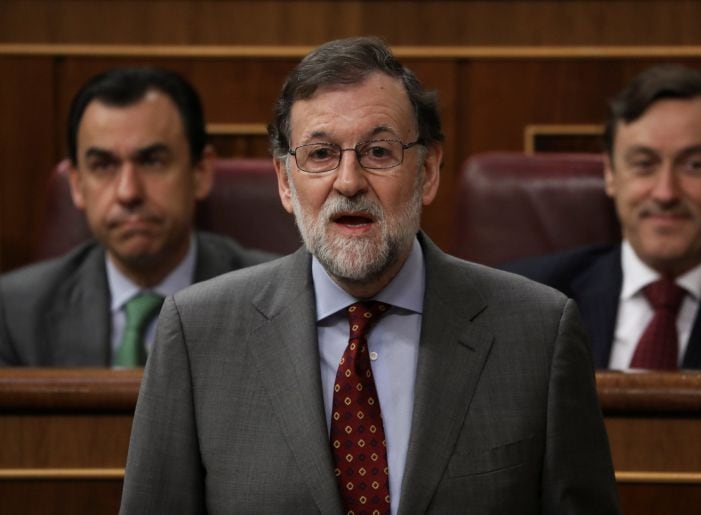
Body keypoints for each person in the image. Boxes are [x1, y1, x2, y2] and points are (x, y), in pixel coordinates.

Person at [119, 37, 619, 514]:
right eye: (320, 154)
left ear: (427, 173)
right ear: (285, 183)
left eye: (379, 152)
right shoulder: (197, 333)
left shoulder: (538, 332)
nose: (349, 181)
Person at [0, 67, 275, 367]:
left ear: (200, 173)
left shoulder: (277, 300)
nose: (128, 192)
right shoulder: (14, 312)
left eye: (152, 161)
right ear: (77, 185)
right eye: (103, 165)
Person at [503, 64, 701, 371]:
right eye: (644, 164)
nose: (666, 193)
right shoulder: (523, 302)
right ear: (611, 173)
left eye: (694, 165)